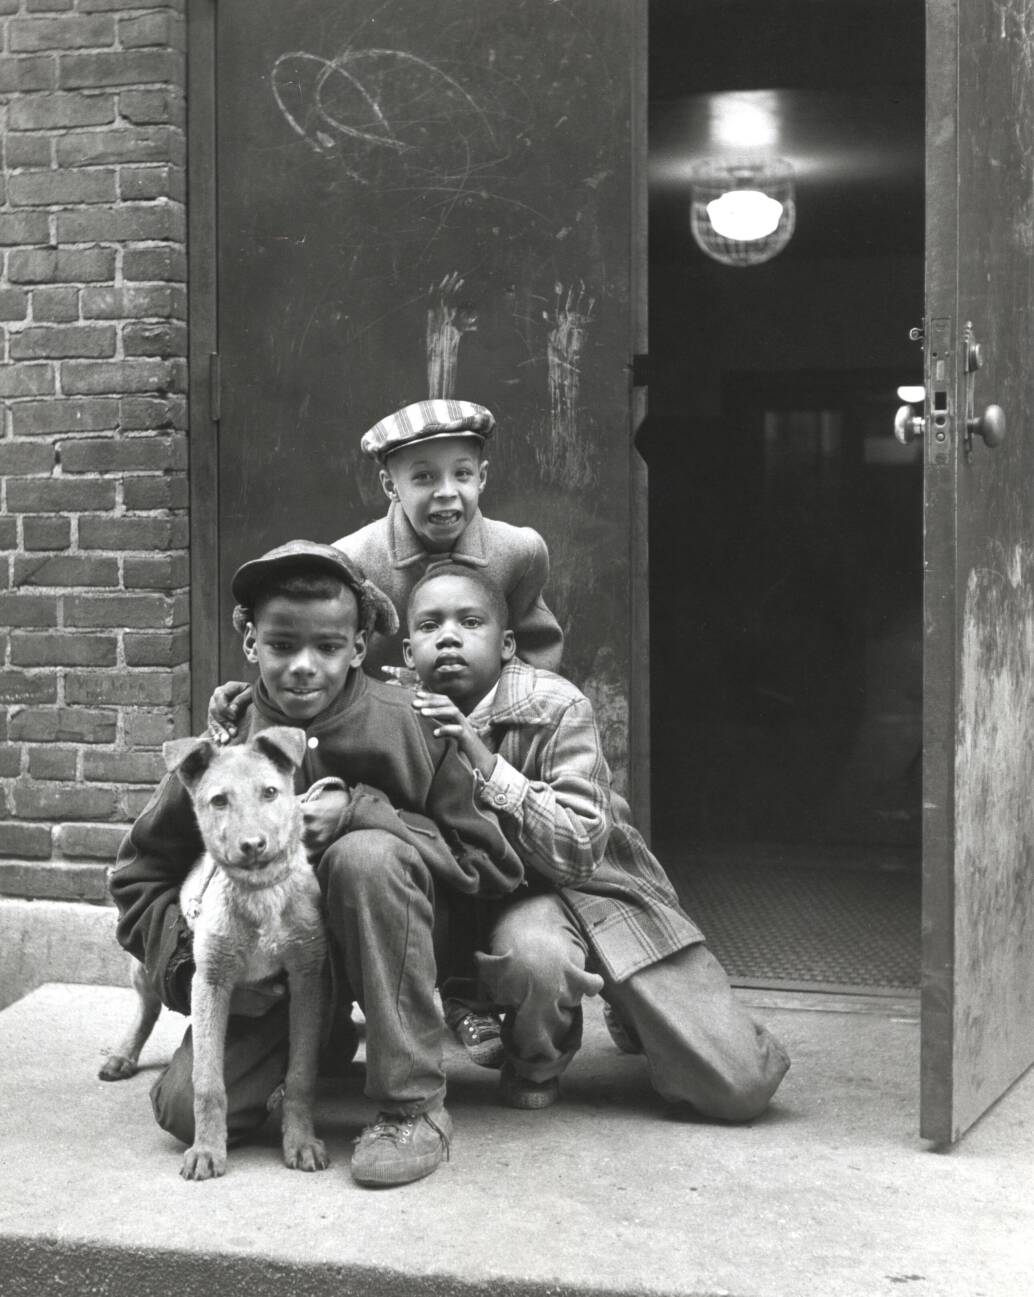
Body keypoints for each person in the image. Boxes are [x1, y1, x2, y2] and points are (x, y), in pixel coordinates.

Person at [109, 540, 523, 1188]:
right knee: (181, 1109)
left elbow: (488, 862)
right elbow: (137, 877)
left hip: (396, 949)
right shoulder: (226, 748)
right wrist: (199, 964)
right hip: (274, 971)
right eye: (281, 646)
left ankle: (413, 1105)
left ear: (359, 646)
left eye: (328, 648)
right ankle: (321, 1040)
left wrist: (366, 813)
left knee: (363, 858)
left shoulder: (406, 724)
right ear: (250, 643)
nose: (304, 667)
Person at [402, 563, 791, 1119]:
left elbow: (578, 849)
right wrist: (234, 708)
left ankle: (632, 1005)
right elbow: (318, 691)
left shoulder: (556, 705)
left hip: (593, 886)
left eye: (469, 622)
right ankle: (536, 1058)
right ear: (407, 646)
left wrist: (482, 760)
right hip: (490, 900)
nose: (447, 636)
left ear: (508, 643)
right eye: (428, 625)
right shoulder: (399, 707)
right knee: (535, 958)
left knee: (739, 1087)